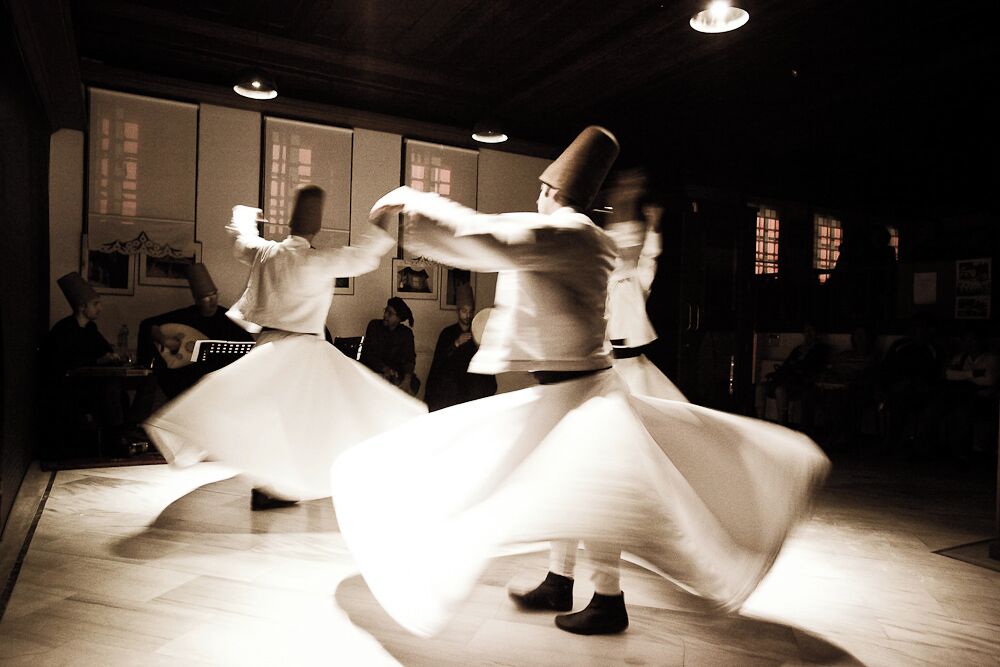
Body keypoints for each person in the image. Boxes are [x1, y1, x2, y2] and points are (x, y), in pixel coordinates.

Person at [332, 126, 829, 638]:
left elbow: (484, 236)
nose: (537, 198)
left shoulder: (565, 235)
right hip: (573, 390)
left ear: (552, 193)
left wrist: (412, 207)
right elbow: (497, 233)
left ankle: (608, 600)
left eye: (541, 191)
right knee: (572, 486)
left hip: (580, 394)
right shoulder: (582, 237)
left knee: (595, 494)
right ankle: (560, 580)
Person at [144, 185, 425, 510]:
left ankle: (273, 485)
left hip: (269, 347)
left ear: (290, 223)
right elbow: (364, 256)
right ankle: (283, 484)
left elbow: (242, 243)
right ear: (316, 226)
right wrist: (383, 215)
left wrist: (243, 217)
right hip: (305, 352)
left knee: (270, 422)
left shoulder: (268, 252)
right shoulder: (316, 259)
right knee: (323, 418)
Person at [131, 264, 253, 422]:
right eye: (206, 297)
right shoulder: (187, 316)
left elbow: (248, 346)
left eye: (214, 294)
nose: (212, 300)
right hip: (188, 382)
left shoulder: (228, 318)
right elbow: (148, 325)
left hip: (219, 385)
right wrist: (163, 339)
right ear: (196, 299)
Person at [604, 169, 686, 401]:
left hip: (631, 367)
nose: (623, 254)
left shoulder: (636, 279)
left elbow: (649, 256)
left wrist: (653, 225)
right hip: (606, 366)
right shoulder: (604, 280)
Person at [44, 272, 126, 457]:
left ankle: (117, 437)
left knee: (117, 390)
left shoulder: (91, 328)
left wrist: (113, 356)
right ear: (82, 307)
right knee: (110, 391)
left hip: (92, 382)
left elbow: (104, 350)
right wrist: (99, 360)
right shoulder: (64, 330)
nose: (100, 308)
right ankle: (113, 442)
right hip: (70, 387)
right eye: (95, 304)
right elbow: (62, 363)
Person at [423, 283, 497, 411]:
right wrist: (455, 344)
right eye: (464, 311)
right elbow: (438, 363)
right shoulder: (447, 333)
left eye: (470, 311)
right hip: (451, 392)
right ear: (458, 311)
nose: (467, 316)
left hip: (472, 390)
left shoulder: (478, 332)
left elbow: (486, 364)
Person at [939, 326, 998, 461]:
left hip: (983, 400)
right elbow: (948, 375)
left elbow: (989, 380)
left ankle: (962, 454)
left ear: (981, 341)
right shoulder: (960, 358)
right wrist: (974, 374)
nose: (970, 343)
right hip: (960, 397)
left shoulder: (992, 359)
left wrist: (962, 376)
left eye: (973, 340)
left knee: (962, 412)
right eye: (966, 340)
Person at [755, 321, 830, 426]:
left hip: (800, 383)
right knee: (760, 388)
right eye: (806, 331)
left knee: (780, 390)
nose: (808, 334)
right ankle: (759, 422)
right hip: (786, 378)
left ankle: (782, 424)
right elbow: (786, 365)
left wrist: (797, 365)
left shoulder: (821, 349)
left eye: (811, 331)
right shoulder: (798, 349)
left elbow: (811, 367)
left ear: (817, 333)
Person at [360, 297, 420, 396]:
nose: (385, 315)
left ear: (398, 318)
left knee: (412, 384)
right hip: (375, 371)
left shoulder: (406, 334)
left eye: (390, 313)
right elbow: (369, 354)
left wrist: (407, 379)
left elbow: (410, 359)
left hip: (395, 374)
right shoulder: (374, 326)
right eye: (385, 311)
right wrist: (385, 369)